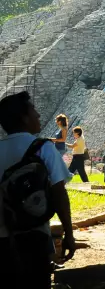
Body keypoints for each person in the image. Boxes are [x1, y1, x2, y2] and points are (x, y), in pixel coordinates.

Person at [0, 91, 76, 288]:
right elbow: (59, 193)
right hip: (34, 237)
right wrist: (68, 233)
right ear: (24, 118)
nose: (38, 115)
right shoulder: (43, 148)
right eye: (33, 110)